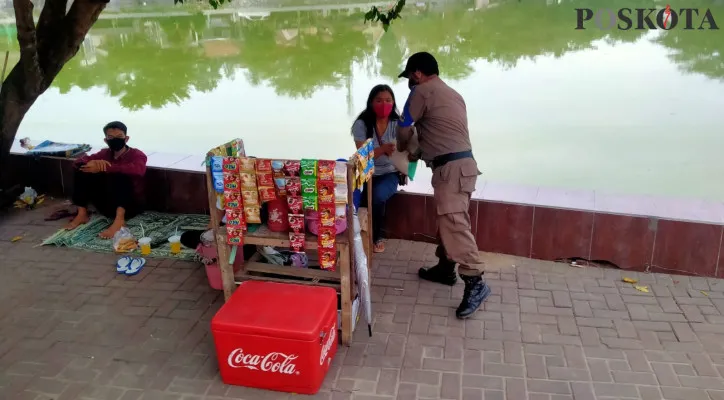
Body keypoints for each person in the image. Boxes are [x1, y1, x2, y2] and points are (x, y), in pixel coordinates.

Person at [396, 52, 490, 319]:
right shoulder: (452, 93)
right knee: (448, 220)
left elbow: (404, 129)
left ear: (416, 74)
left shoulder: (422, 91)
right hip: (462, 167)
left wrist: (404, 147)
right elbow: (440, 131)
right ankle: (444, 268)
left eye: (409, 78)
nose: (409, 84)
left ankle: (475, 281)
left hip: (451, 169)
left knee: (454, 222)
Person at [65, 121, 147, 239]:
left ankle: (120, 221)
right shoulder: (104, 153)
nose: (115, 140)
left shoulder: (137, 154)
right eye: (111, 137)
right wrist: (89, 163)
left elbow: (138, 170)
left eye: (119, 137)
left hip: (130, 205)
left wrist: (109, 167)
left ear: (126, 138)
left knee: (120, 175)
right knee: (83, 170)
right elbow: (77, 162)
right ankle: (82, 214)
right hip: (106, 203)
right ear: (106, 140)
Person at [351, 84, 401, 253]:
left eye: (388, 100)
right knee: (356, 201)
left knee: (378, 195)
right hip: (365, 174)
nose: (384, 104)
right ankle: (356, 236)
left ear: (393, 103)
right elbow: (361, 155)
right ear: (371, 102)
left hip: (389, 173)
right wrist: (382, 150)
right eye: (379, 100)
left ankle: (378, 235)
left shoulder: (398, 124)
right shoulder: (362, 124)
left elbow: (410, 147)